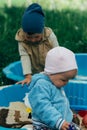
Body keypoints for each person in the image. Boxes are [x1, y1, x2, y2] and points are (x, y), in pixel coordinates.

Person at [27, 46, 81, 130]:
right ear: (51, 73)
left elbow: (58, 101)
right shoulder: (41, 85)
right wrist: (58, 121)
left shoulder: (55, 80)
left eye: (68, 80)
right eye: (64, 79)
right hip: (45, 125)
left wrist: (68, 113)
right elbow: (42, 107)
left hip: (61, 122)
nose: (66, 83)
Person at [15, 3, 59, 85]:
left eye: (37, 37)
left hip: (51, 69)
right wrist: (28, 76)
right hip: (35, 70)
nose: (33, 40)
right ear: (24, 32)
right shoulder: (21, 40)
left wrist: (57, 71)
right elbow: (24, 57)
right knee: (39, 82)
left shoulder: (49, 36)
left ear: (42, 30)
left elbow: (57, 53)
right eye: (29, 37)